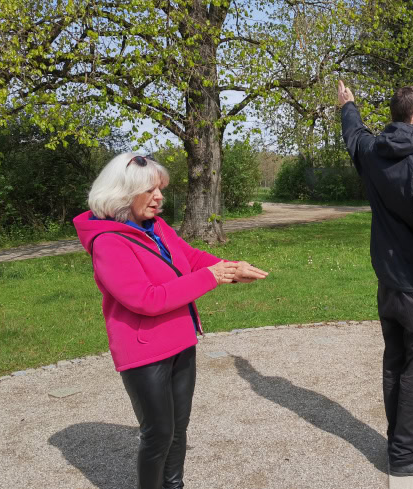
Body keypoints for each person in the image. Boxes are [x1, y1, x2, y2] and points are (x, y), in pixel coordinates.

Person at [73, 153, 268, 489]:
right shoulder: (108, 241)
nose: (159, 196)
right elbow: (146, 298)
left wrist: (231, 268)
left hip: (181, 341)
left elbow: (190, 258)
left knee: (178, 428)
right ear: (122, 193)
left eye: (159, 188)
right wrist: (211, 276)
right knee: (159, 433)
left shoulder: (157, 227)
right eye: (150, 190)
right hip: (144, 353)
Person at [337, 81, 413, 477]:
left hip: (388, 285)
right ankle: (406, 455)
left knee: (396, 362)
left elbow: (354, 136)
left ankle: (403, 440)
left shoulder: (375, 152)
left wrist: (348, 106)